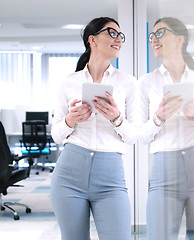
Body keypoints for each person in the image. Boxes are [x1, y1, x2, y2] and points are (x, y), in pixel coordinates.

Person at [50, 17, 137, 240]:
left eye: (120, 35)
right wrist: (70, 120)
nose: (118, 39)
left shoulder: (128, 83)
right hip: (69, 174)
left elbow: (134, 135)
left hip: (110, 177)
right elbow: (57, 135)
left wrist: (116, 117)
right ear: (92, 39)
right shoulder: (69, 82)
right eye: (112, 33)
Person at [139, 17, 194, 240]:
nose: (154, 40)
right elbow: (141, 136)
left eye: (160, 33)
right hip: (164, 169)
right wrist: (159, 116)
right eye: (152, 36)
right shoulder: (146, 83)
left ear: (179, 40)